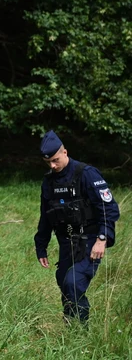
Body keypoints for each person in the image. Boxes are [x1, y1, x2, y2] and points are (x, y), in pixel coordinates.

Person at [34, 130, 119, 324]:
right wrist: (41, 246)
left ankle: (81, 328)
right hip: (66, 242)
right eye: (48, 163)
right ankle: (71, 322)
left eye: (55, 160)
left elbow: (109, 208)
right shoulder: (48, 182)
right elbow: (45, 217)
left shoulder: (86, 174)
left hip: (90, 241)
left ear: (65, 152)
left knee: (73, 282)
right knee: (63, 280)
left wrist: (102, 238)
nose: (52, 166)